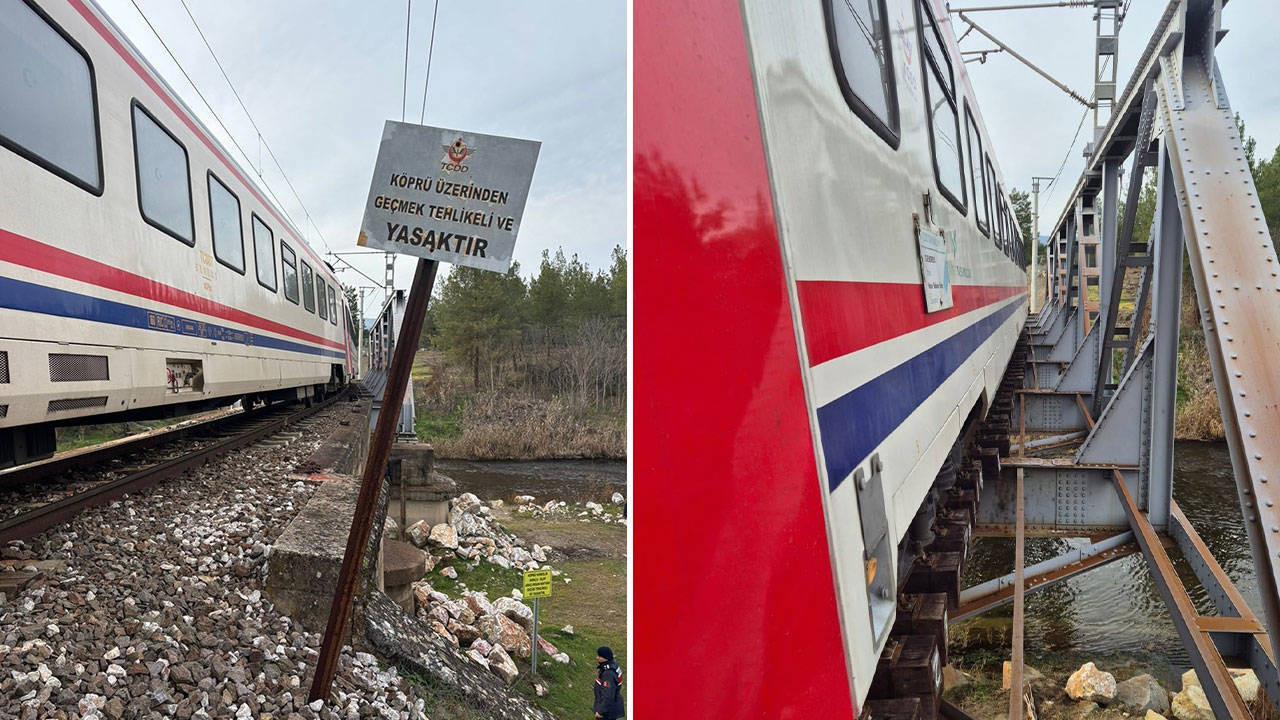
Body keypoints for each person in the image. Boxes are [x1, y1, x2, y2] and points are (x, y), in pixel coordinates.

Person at [592, 646, 624, 719]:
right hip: (611, 707)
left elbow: (608, 695)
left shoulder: (608, 674)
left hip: (607, 712)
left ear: (605, 657)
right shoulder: (613, 665)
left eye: (599, 656)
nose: (597, 657)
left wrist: (600, 711)